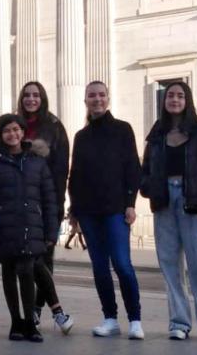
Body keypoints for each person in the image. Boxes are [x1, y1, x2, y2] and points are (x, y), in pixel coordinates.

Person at [141, 81, 197, 344]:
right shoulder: (157, 134)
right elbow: (145, 168)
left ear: (187, 100)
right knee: (170, 267)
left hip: (193, 203)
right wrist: (149, 188)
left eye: (180, 96)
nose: (175, 100)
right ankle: (179, 323)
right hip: (164, 204)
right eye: (170, 95)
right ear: (164, 101)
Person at [68, 80, 144, 340]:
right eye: (92, 96)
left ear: (108, 98)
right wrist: (73, 212)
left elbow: (133, 168)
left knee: (122, 264)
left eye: (101, 95)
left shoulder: (123, 130)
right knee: (99, 267)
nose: (97, 99)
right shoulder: (81, 136)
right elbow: (75, 175)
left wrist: (131, 203)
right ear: (86, 101)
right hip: (88, 211)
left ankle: (135, 320)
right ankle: (110, 318)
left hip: (115, 209)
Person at [0, 114, 60, 343]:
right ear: (0, 136)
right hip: (5, 228)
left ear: (23, 132)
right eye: (6, 131)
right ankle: (16, 321)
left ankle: (31, 323)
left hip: (31, 227)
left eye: (16, 129)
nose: (12, 134)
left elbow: (49, 199)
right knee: (8, 273)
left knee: (26, 271)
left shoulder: (37, 162)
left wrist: (52, 233)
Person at [16, 82, 73, 334]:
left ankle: (38, 310)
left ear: (43, 98)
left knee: (44, 258)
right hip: (20, 204)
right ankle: (39, 311)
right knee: (26, 261)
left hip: (47, 201)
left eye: (35, 95)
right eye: (27, 95)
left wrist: (57, 203)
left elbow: (61, 170)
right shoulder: (14, 123)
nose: (31, 99)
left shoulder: (54, 127)